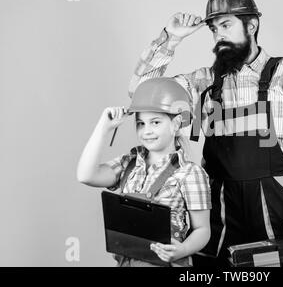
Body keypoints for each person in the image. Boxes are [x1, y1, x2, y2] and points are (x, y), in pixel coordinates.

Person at [128, 0, 283, 266]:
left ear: (252, 25)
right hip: (220, 210)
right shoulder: (205, 82)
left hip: (278, 206)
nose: (218, 35)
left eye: (226, 25)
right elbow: (142, 93)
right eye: (213, 29)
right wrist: (170, 39)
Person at [77, 78, 211, 267]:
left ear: (176, 123)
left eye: (155, 122)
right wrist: (103, 128)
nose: (146, 131)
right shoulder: (129, 163)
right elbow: (85, 175)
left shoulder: (190, 173)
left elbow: (203, 230)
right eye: (141, 123)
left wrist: (182, 250)